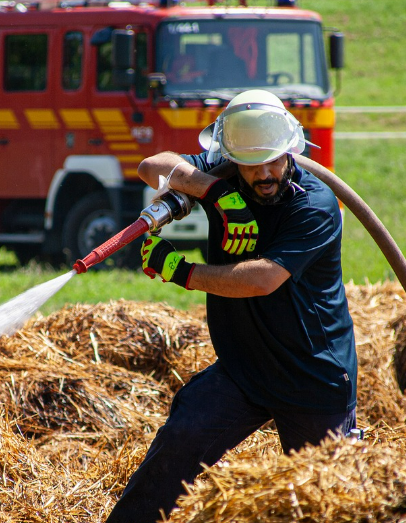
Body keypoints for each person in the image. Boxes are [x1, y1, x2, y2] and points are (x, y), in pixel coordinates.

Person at [105, 90, 357, 523]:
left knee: (323, 501)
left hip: (312, 376)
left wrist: (182, 271)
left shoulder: (314, 205)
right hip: (244, 369)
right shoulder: (225, 173)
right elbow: (151, 167)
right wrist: (215, 191)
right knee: (181, 438)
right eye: (251, 163)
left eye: (273, 161)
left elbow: (262, 279)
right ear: (231, 157)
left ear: (290, 150)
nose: (264, 173)